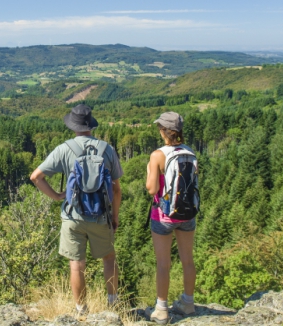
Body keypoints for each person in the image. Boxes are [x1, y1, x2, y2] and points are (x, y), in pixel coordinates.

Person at [30, 104, 123, 316]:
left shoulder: (64, 149)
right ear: (90, 125)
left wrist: (56, 196)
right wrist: (114, 217)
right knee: (109, 258)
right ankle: (113, 305)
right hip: (101, 216)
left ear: (73, 126)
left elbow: (36, 177)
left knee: (76, 264)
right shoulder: (106, 149)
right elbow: (117, 190)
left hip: (73, 215)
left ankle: (81, 311)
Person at [146, 111, 197, 323]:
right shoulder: (190, 152)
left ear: (163, 131)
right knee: (187, 260)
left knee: (163, 264)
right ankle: (188, 302)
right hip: (187, 214)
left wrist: (150, 170)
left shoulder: (158, 155)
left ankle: (161, 309)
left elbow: (151, 189)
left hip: (164, 215)